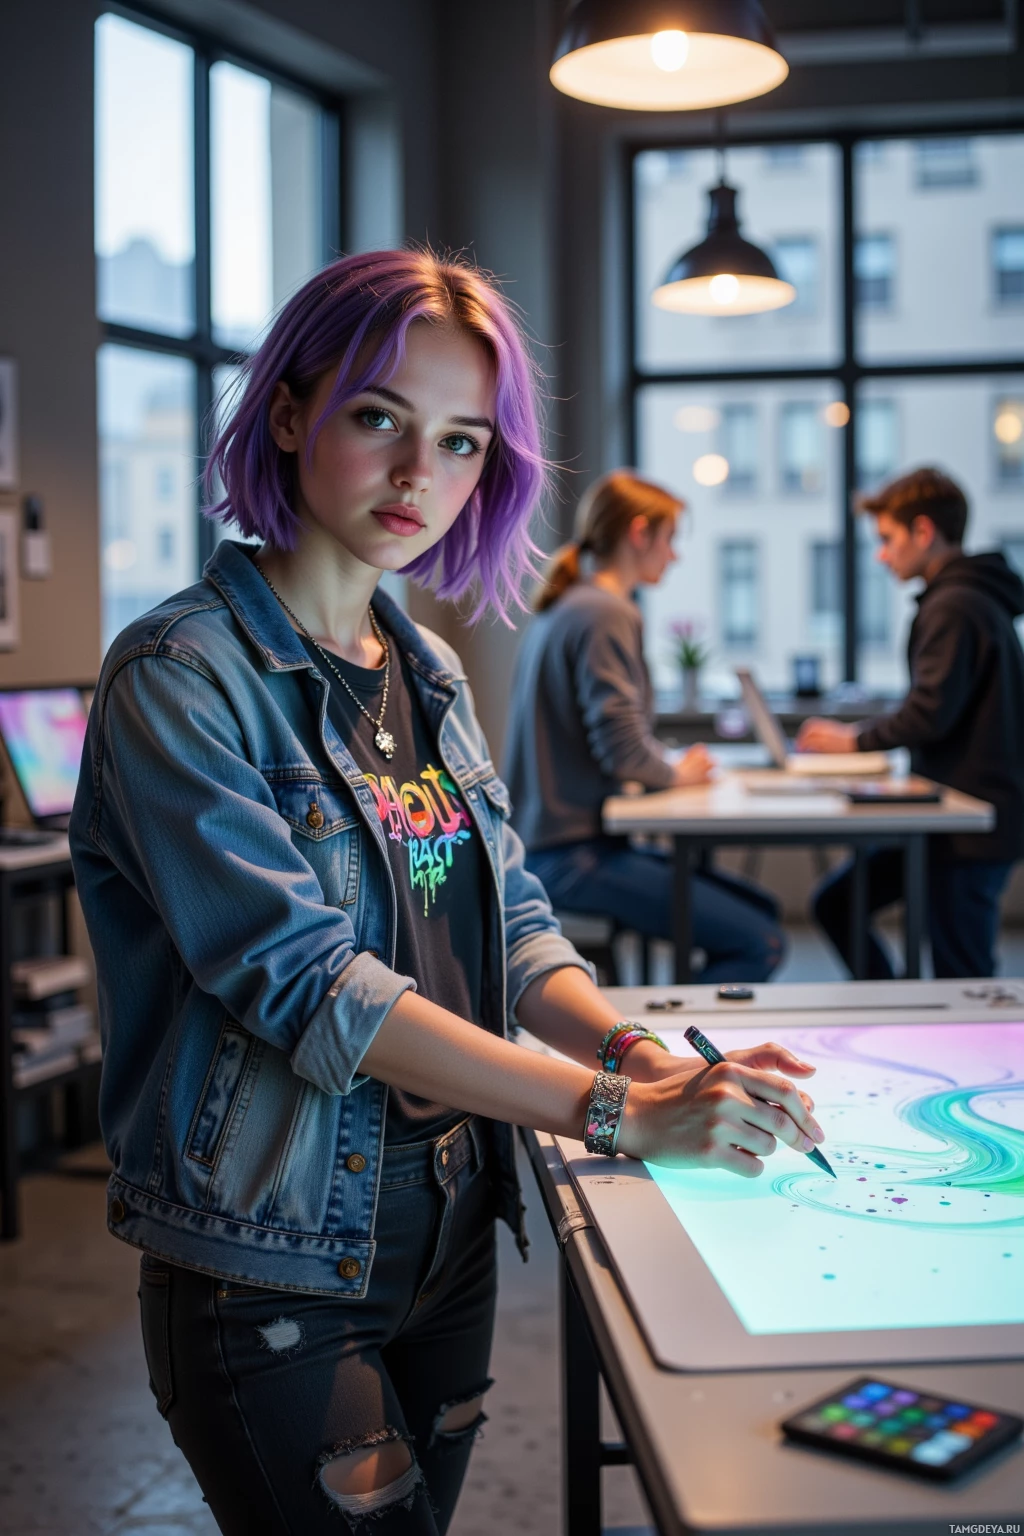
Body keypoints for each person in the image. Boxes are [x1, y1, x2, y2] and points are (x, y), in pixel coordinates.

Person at [69, 251, 822, 1536]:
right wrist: (616, 1114)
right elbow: (316, 988)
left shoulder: (424, 670)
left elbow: (517, 931)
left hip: (454, 1222)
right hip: (281, 1256)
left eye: (463, 442)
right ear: (293, 412)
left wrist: (648, 1060)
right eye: (381, 419)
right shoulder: (178, 680)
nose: (423, 475)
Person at [504, 471, 786, 983]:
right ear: (639, 533)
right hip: (573, 856)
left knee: (761, 909)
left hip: (550, 846)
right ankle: (672, 1058)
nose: (674, 555)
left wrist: (670, 767)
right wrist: (678, 774)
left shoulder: (571, 605)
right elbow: (622, 749)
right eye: (670, 538)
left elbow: (611, 739)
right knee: (759, 940)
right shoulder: (605, 612)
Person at [798, 466, 1024, 979]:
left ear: (923, 531)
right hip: (954, 816)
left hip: (966, 826)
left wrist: (853, 740)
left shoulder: (955, 604)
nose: (880, 555)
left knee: (961, 978)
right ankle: (896, 1007)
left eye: (887, 539)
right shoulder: (969, 597)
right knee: (840, 905)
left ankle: (941, 1040)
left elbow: (929, 712)